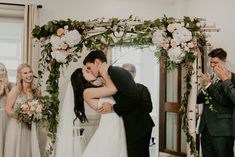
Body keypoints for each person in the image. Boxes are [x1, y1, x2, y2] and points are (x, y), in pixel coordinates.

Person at [83, 50, 155, 157]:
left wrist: (112, 108)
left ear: (97, 62)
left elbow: (134, 97)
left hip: (138, 125)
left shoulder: (115, 72)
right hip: (134, 125)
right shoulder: (111, 74)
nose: (90, 71)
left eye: (89, 67)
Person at [55, 67, 127, 157]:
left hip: (115, 124)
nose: (89, 70)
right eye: (86, 71)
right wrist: (103, 70)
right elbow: (113, 89)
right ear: (82, 78)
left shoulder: (99, 88)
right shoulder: (87, 92)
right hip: (109, 127)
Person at [197, 48, 234, 157]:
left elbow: (225, 101)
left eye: (216, 62)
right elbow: (199, 100)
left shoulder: (232, 78)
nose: (212, 65)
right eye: (211, 62)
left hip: (222, 130)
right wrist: (203, 87)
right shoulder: (211, 77)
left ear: (225, 62)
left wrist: (208, 85)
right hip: (205, 128)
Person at [4, 64, 41, 157]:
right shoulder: (15, 90)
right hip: (16, 126)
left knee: (27, 151)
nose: (29, 75)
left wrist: (35, 114)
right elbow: (7, 109)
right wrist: (22, 117)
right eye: (25, 73)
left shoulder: (36, 90)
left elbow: (40, 106)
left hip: (30, 127)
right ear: (20, 76)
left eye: (30, 72)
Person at [122, 63, 155, 146]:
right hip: (125, 127)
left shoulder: (142, 88)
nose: (126, 75)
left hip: (142, 127)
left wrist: (135, 99)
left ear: (134, 74)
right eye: (123, 72)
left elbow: (149, 108)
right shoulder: (117, 89)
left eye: (129, 72)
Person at [0, 63, 13, 157]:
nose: (1, 72)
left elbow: (12, 102)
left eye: (3, 70)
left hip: (7, 116)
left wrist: (6, 89)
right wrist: (1, 91)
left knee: (7, 140)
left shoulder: (11, 85)